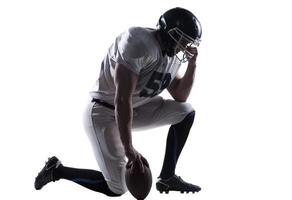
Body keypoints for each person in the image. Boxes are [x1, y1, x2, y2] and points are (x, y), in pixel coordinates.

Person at [34, 7, 202, 197]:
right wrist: (129, 148)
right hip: (104, 111)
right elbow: (121, 98)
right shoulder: (139, 42)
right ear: (169, 31)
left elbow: (181, 95)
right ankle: (57, 170)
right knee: (118, 188)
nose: (185, 45)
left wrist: (193, 65)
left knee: (185, 111)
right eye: (183, 39)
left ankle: (168, 177)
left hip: (135, 108)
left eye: (188, 41)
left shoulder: (172, 57)